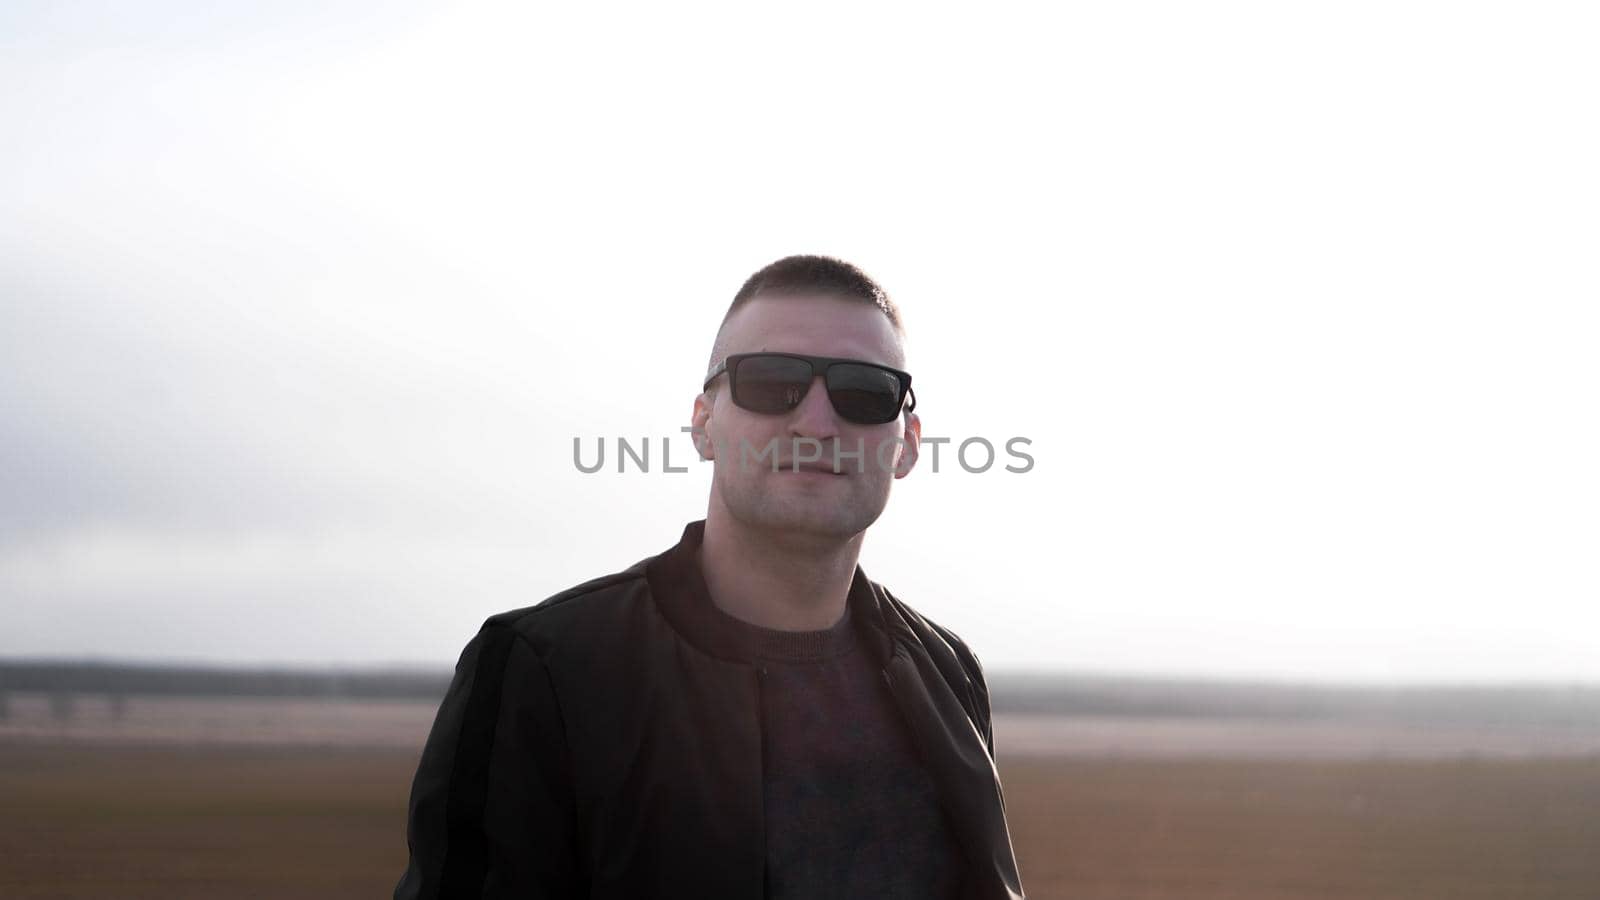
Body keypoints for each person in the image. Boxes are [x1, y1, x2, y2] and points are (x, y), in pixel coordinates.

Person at [394, 255, 1025, 899]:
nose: (816, 422)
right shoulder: (543, 672)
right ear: (702, 425)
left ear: (908, 444)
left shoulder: (947, 675)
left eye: (866, 392)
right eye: (770, 380)